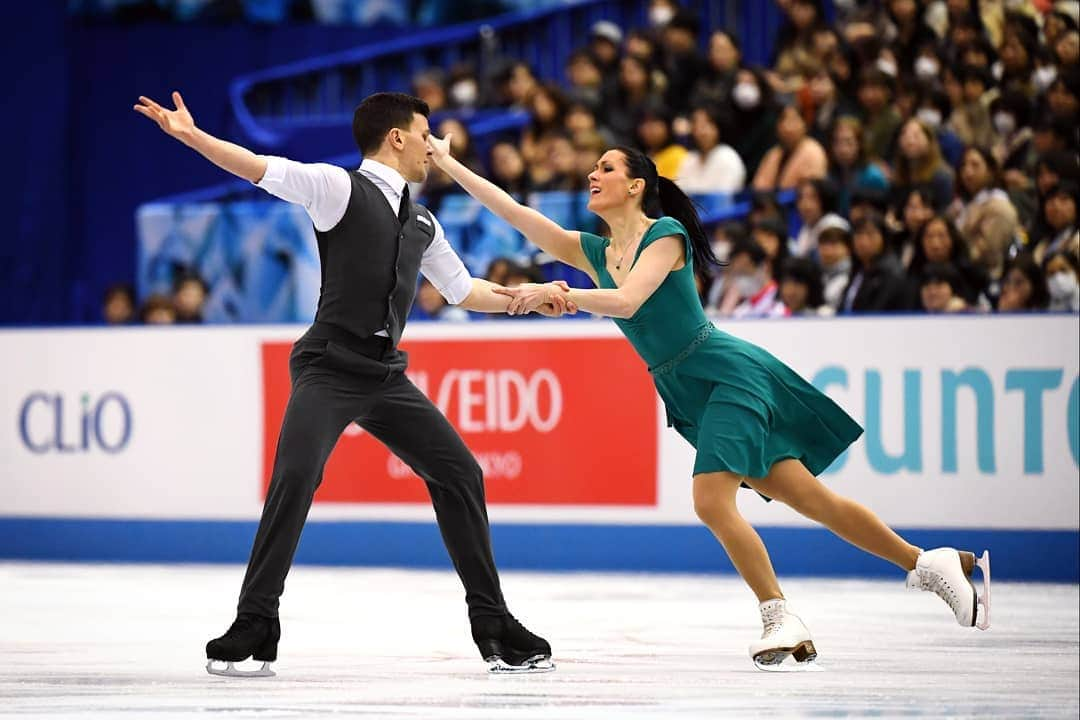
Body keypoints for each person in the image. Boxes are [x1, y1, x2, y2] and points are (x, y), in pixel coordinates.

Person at [427, 137, 991, 671]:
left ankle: (780, 616)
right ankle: (926, 562)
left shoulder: (665, 234)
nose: (592, 175)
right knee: (812, 499)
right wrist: (448, 165)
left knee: (709, 500)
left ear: (636, 186)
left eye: (606, 168)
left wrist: (560, 294)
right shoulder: (594, 250)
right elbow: (512, 211)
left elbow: (627, 301)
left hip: (725, 374)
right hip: (687, 388)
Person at [134, 90, 565, 677]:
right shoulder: (338, 189)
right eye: (426, 133)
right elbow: (259, 168)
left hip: (385, 374)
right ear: (396, 137)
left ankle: (493, 623)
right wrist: (191, 135)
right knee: (295, 475)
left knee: (460, 472)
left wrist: (527, 299)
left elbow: (465, 291)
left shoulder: (422, 220)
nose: (434, 146)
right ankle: (256, 619)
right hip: (328, 366)